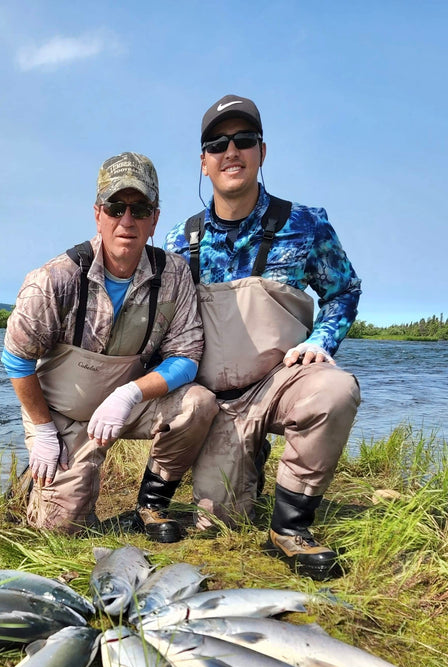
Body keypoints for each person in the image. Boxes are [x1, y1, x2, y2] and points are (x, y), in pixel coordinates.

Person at [166, 94, 362, 580]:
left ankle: (291, 527)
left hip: (280, 383)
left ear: (262, 151)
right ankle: (245, 455)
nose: (231, 151)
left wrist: (322, 340)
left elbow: (344, 291)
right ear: (204, 162)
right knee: (220, 522)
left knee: (337, 390)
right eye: (218, 143)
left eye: (244, 140)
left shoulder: (307, 224)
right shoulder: (178, 240)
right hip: (214, 401)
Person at [2, 152, 218, 543]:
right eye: (116, 207)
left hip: (128, 406)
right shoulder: (54, 279)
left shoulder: (175, 274)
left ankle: (151, 503)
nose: (127, 220)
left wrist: (130, 393)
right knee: (61, 530)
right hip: (62, 415)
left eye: (140, 209)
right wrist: (44, 428)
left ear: (155, 219)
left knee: (199, 404)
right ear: (98, 214)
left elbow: (186, 357)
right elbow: (16, 359)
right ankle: (34, 486)